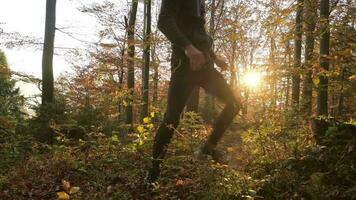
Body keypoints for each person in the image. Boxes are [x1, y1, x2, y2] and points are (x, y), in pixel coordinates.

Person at [146, 0, 241, 183]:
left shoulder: (201, 3)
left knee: (234, 103)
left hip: (206, 67)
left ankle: (208, 148)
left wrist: (214, 57)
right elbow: (164, 21)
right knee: (171, 120)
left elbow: (199, 33)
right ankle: (154, 170)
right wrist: (188, 48)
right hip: (183, 67)